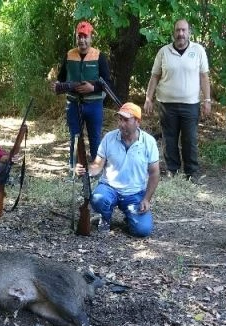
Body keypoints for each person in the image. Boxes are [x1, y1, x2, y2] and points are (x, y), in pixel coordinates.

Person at [75, 103, 160, 237]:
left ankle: (130, 215)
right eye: (120, 119)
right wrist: (85, 170)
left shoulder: (149, 142)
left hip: (135, 193)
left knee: (142, 231)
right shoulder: (109, 137)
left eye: (126, 120)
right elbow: (97, 165)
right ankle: (105, 217)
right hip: (110, 188)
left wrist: (146, 199)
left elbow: (154, 173)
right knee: (98, 199)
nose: (121, 124)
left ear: (137, 122)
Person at [144, 19, 211, 181]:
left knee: (190, 139)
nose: (180, 34)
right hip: (167, 104)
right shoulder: (164, 52)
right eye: (178, 30)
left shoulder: (198, 50)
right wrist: (148, 98)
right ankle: (172, 170)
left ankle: (191, 173)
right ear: (173, 32)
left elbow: (204, 76)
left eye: (184, 30)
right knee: (169, 138)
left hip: (191, 104)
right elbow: (155, 76)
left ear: (189, 32)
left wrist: (207, 99)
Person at [50, 20, 113, 163]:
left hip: (94, 105)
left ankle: (96, 169)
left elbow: (108, 83)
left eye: (85, 36)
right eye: (80, 36)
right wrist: (57, 86)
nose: (82, 40)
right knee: (74, 137)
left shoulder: (99, 56)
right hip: (73, 104)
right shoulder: (69, 55)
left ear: (91, 38)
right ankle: (74, 169)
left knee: (95, 138)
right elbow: (61, 78)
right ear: (76, 38)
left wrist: (93, 88)